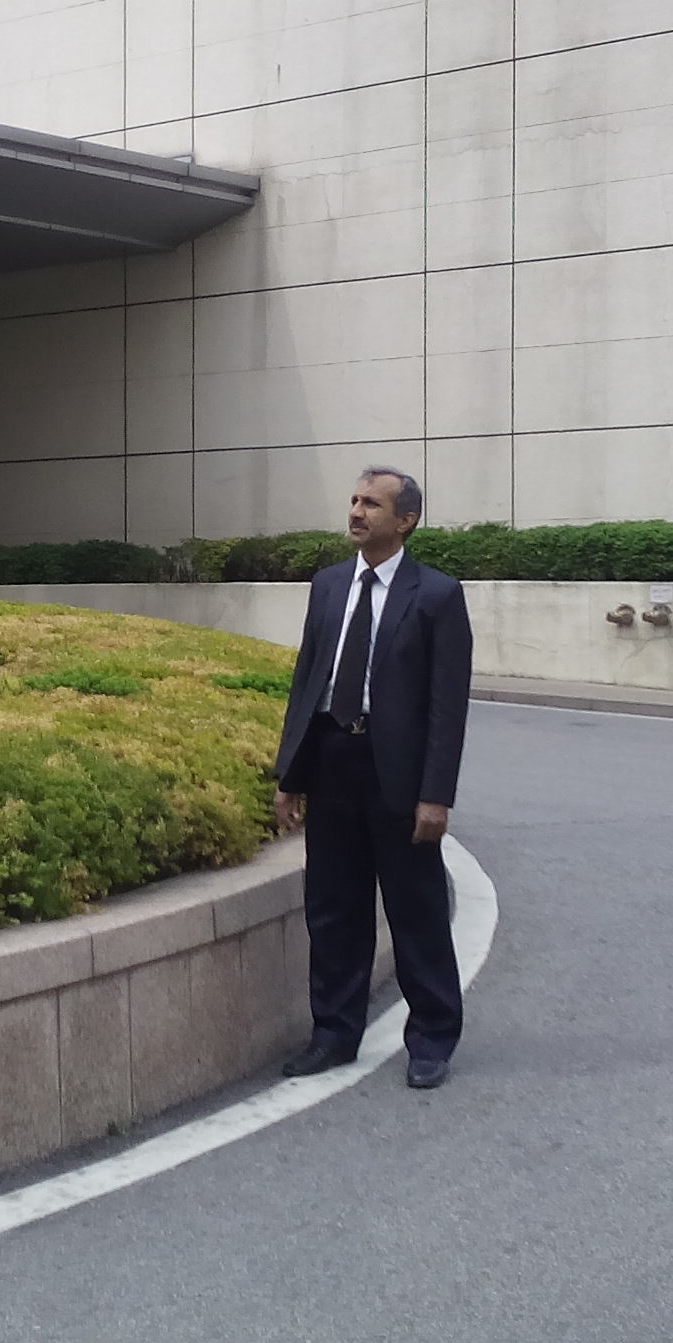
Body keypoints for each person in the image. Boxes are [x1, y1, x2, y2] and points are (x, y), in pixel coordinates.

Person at [271, 466, 474, 1089]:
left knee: (416, 909)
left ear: (405, 520)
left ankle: (432, 1038)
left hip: (399, 776)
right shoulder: (329, 586)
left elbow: (447, 705)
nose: (357, 512)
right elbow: (308, 681)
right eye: (355, 501)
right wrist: (290, 773)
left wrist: (435, 796)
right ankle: (334, 1034)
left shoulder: (436, 595)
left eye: (372, 504)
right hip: (333, 761)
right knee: (333, 909)